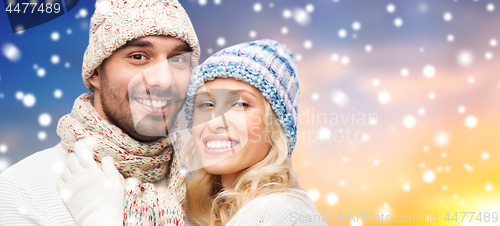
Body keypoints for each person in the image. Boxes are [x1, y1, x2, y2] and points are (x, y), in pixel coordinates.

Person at [59, 39, 326, 226]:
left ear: (275, 126)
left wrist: (99, 217)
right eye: (206, 104)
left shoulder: (275, 211)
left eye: (241, 104)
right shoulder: (212, 209)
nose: (215, 121)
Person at [0, 0, 200, 225]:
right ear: (95, 72)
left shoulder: (207, 191)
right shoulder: (22, 193)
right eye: (138, 56)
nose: (164, 80)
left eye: (178, 59)